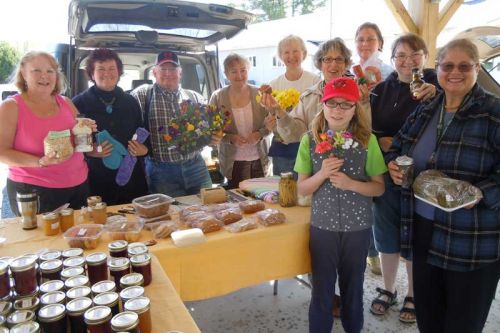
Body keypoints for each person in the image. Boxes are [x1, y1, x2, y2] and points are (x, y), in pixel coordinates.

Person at [386, 38, 500, 333]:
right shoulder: (428, 107)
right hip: (423, 229)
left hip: (470, 238)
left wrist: (481, 192)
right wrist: (394, 165)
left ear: (477, 68)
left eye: (465, 66)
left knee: (462, 323)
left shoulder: (493, 112)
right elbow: (398, 145)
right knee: (429, 316)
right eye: (447, 65)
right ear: (436, 69)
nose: (455, 72)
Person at [294, 77, 386, 333]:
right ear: (322, 105)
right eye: (332, 103)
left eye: (346, 104)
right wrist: (322, 174)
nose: (338, 109)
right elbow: (302, 188)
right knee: (322, 288)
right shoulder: (309, 141)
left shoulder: (368, 142)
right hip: (322, 228)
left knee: (353, 287)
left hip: (357, 230)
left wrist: (351, 184)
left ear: (355, 109)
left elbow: (379, 187)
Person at [369, 33, 438, 323]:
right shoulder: (381, 90)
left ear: (424, 57)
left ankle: (412, 292)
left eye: (414, 55)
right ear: (392, 58)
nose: (408, 61)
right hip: (385, 169)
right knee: (386, 230)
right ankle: (387, 289)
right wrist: (383, 142)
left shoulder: (436, 84)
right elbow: (370, 128)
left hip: (420, 172)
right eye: (401, 55)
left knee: (415, 232)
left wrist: (435, 92)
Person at [0, 51, 91, 214]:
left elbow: (80, 139)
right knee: (44, 239)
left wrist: (86, 129)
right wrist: (40, 162)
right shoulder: (11, 107)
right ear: (23, 74)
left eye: (50, 71)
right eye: (37, 71)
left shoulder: (66, 103)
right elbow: (2, 152)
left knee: (78, 238)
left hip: (78, 186)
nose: (45, 76)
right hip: (34, 189)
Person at [131, 51, 213, 197]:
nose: (168, 73)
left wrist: (213, 137)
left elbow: (208, 131)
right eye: (163, 69)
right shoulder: (141, 95)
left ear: (180, 73)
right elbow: (125, 123)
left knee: (209, 209)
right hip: (161, 171)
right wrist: (137, 147)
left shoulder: (195, 97)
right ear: (154, 72)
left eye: (173, 69)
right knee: (172, 216)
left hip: (196, 167)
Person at [72, 48, 148, 205]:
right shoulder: (78, 103)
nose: (107, 73)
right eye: (101, 69)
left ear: (119, 72)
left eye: (112, 68)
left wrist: (143, 149)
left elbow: (142, 135)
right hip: (96, 181)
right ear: (92, 74)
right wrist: (91, 151)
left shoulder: (131, 102)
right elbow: (72, 143)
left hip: (132, 180)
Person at [354, 22, 393, 275]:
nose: (365, 43)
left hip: (383, 144)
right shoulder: (350, 72)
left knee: (380, 201)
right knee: (360, 201)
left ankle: (383, 250)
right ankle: (369, 252)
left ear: (380, 42)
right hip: (356, 142)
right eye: (360, 39)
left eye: (370, 38)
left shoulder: (389, 72)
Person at [209, 53, 271, 189]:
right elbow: (212, 130)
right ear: (226, 74)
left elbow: (272, 123)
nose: (240, 75)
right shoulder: (218, 97)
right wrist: (231, 138)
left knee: (261, 199)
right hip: (233, 162)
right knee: (237, 201)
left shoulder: (259, 93)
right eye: (234, 71)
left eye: (243, 70)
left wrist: (259, 134)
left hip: (259, 159)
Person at [267, 35, 320, 176]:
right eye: (286, 52)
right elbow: (271, 117)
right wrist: (270, 124)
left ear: (303, 53)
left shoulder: (315, 80)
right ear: (280, 56)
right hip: (283, 149)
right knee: (285, 191)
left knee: (307, 193)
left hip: (309, 146)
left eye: (296, 51)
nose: (291, 56)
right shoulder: (274, 84)